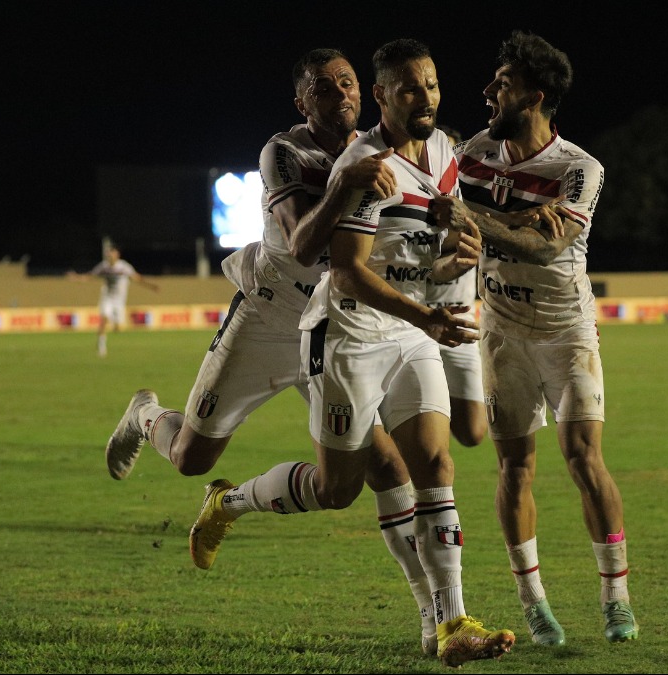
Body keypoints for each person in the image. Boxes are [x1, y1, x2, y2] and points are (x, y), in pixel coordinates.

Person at [102, 48, 445, 657]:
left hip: (334, 326)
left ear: (364, 92)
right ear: (301, 102)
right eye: (322, 88)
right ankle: (146, 416)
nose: (339, 94)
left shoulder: (385, 148)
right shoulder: (284, 152)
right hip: (268, 314)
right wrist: (343, 183)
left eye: (346, 83)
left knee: (387, 469)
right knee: (190, 458)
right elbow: (304, 245)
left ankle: (435, 619)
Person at [187, 39, 514, 668]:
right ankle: (229, 502)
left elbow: (418, 252)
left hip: (410, 332)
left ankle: (451, 625)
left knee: (435, 467)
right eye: (411, 88)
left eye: (433, 84)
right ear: (384, 97)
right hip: (346, 338)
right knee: (337, 491)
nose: (426, 98)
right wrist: (427, 313)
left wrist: (456, 253)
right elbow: (345, 273)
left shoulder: (444, 149)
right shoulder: (367, 165)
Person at [432, 31, 640, 646]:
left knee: (583, 458)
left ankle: (615, 598)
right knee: (514, 466)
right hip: (499, 331)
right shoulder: (472, 153)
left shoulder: (579, 169)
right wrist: (508, 219)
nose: (488, 91)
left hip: (564, 330)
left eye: (503, 82)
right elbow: (442, 227)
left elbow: (545, 244)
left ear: (536, 96)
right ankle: (534, 604)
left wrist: (478, 219)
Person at [422, 125, 487, 448]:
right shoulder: (413, 198)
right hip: (413, 321)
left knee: (472, 432)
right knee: (423, 441)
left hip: (459, 323)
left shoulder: (466, 198)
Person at [67, 245, 158, 357]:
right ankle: (101, 346)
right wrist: (76, 277)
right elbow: (90, 276)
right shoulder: (104, 267)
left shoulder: (124, 267)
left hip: (119, 300)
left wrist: (151, 286)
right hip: (107, 297)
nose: (110, 255)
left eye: (112, 253)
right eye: (109, 253)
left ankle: (115, 325)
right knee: (104, 319)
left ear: (117, 255)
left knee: (118, 328)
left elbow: (136, 278)